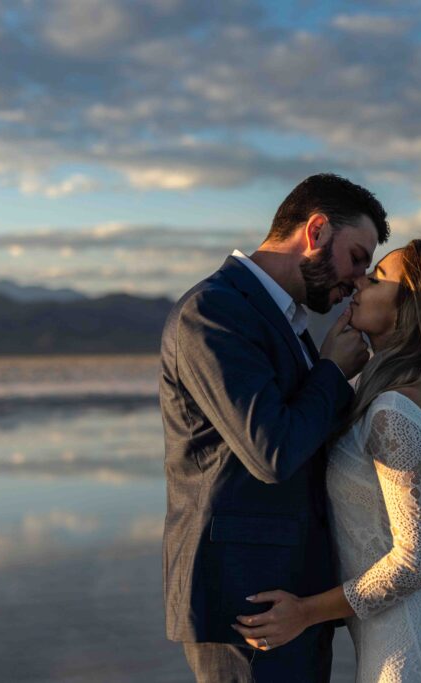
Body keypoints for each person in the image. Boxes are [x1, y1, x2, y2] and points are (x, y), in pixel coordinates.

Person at [159, 173, 389, 682]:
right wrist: (331, 371)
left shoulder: (287, 320)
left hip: (293, 598)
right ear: (317, 231)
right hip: (248, 604)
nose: (357, 278)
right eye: (357, 257)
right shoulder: (215, 311)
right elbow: (272, 452)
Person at [232, 239, 421, 681]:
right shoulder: (398, 395)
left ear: (412, 307)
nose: (358, 281)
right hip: (404, 634)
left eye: (376, 280)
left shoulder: (396, 410)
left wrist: (304, 613)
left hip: (418, 645)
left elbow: (418, 560)